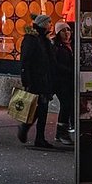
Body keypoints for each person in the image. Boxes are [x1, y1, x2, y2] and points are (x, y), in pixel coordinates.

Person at [17, 13, 56, 148]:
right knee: (38, 108)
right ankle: (27, 129)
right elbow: (25, 61)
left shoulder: (44, 39)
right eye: (49, 22)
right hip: (36, 80)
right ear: (43, 24)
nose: (51, 24)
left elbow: (50, 60)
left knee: (42, 109)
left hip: (44, 80)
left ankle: (37, 136)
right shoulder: (32, 39)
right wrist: (27, 81)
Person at [52, 20, 74, 145]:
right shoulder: (57, 47)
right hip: (61, 82)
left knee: (68, 105)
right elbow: (56, 65)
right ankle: (62, 133)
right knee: (66, 105)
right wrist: (69, 70)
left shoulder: (71, 45)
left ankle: (61, 132)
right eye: (63, 31)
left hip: (70, 80)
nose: (67, 33)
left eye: (68, 30)